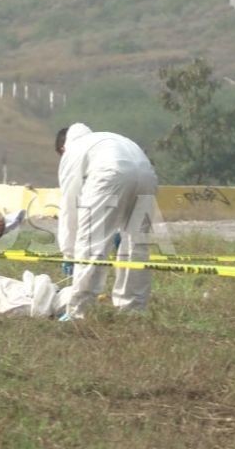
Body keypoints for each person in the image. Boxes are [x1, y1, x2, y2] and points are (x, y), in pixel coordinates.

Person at [56, 123, 159, 319]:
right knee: (137, 245)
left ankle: (79, 313)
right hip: (147, 174)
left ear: (63, 149)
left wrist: (69, 253)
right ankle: (133, 311)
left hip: (110, 173)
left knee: (91, 244)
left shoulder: (72, 152)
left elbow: (69, 205)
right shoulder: (104, 140)